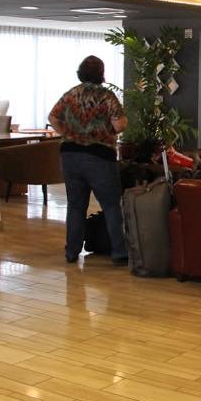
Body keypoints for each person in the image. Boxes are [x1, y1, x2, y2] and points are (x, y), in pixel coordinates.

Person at [48, 56, 128, 264]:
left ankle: (71, 251)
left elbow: (53, 117)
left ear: (81, 72)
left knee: (75, 205)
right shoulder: (106, 96)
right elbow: (119, 125)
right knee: (111, 205)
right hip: (99, 156)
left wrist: (67, 133)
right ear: (101, 73)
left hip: (70, 155)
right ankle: (119, 252)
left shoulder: (71, 94)